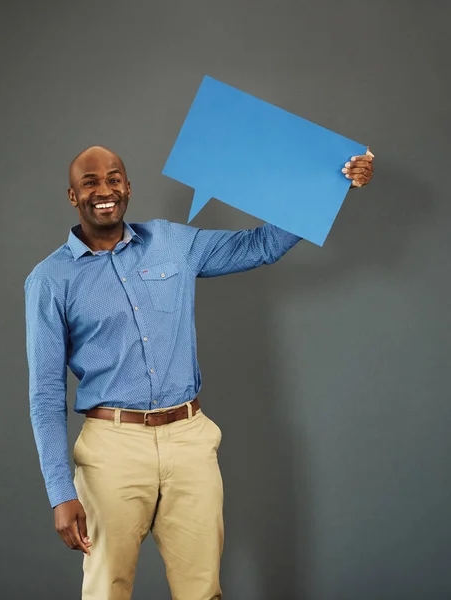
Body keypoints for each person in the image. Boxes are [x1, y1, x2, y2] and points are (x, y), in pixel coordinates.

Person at [24, 145, 374, 600]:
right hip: (112, 450)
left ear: (128, 187)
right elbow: (46, 393)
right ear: (73, 196)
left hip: (189, 441)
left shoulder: (173, 242)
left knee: (202, 589)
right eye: (90, 182)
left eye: (114, 179)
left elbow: (261, 245)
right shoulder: (50, 280)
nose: (104, 190)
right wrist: (59, 491)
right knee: (106, 590)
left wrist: (335, 185)